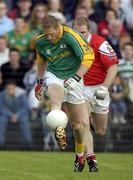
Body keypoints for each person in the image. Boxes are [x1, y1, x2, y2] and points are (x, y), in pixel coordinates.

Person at [34, 15, 94, 172]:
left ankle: (80, 155)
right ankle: (58, 127)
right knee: (55, 100)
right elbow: (42, 62)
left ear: (58, 27)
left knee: (78, 125)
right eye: (46, 34)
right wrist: (40, 82)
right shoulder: (40, 41)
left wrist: (76, 77)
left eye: (52, 34)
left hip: (75, 77)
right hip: (54, 75)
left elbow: (89, 57)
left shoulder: (70, 36)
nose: (49, 37)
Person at [73, 17, 118, 172]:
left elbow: (113, 68)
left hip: (99, 88)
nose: (80, 36)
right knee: (83, 123)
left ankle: (90, 119)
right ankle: (91, 159)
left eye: (83, 33)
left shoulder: (100, 43)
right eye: (77, 33)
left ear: (89, 31)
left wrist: (104, 88)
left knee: (100, 130)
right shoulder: (70, 45)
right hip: (81, 87)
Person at [0, 81, 32, 148]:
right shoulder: (2, 95)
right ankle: (1, 142)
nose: (10, 90)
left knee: (24, 120)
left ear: (15, 88)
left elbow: (24, 107)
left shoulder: (22, 94)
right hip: (6, 114)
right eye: (8, 89)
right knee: (2, 120)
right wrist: (11, 115)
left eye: (12, 88)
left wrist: (16, 115)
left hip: (20, 114)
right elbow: (1, 108)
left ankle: (28, 142)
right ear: (6, 89)